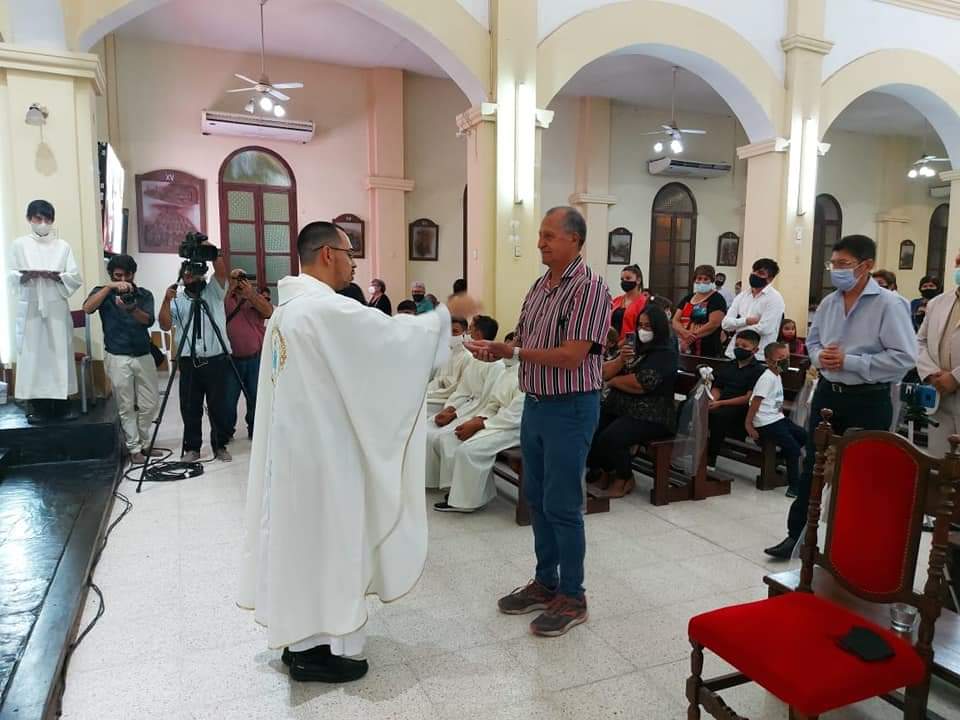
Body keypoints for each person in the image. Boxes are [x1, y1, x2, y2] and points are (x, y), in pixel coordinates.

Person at [238, 222, 449, 684]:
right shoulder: (323, 310)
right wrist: (442, 320)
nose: (355, 263)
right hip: (324, 460)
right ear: (328, 254)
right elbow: (393, 342)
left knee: (300, 547)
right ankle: (319, 650)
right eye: (351, 252)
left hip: (295, 456)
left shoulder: (287, 311)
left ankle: (299, 641)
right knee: (327, 546)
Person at [465, 206, 611, 638]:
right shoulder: (540, 286)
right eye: (541, 235)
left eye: (549, 235)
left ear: (574, 240)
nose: (540, 243)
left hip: (571, 406)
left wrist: (511, 351)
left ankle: (573, 595)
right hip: (536, 404)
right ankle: (546, 582)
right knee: (538, 499)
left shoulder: (589, 289)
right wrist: (495, 351)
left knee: (563, 504)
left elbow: (572, 356)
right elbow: (525, 341)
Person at [765, 235, 917, 559]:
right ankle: (797, 537)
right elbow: (814, 343)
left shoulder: (890, 304)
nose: (836, 270)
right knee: (813, 465)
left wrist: (851, 361)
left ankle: (852, 544)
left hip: (868, 398)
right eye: (833, 264)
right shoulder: (829, 303)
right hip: (828, 395)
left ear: (866, 265)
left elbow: (904, 358)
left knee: (862, 472)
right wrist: (821, 358)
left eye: (843, 264)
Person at [587, 304, 677, 498]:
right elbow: (603, 372)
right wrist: (620, 360)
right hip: (624, 407)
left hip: (653, 414)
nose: (643, 330)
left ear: (659, 328)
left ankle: (624, 478)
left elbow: (642, 384)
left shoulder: (665, 354)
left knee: (612, 437)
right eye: (640, 325)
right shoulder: (635, 348)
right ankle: (606, 472)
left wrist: (614, 382)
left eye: (648, 326)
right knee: (592, 428)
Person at [158, 240, 233, 463]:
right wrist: (166, 300)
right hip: (188, 361)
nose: (192, 278)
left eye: (196, 274)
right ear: (182, 276)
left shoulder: (214, 291)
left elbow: (221, 271)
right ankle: (192, 448)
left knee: (219, 406)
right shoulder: (177, 298)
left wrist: (210, 249)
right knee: (190, 407)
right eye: (188, 274)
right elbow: (164, 324)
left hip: (216, 359)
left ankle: (220, 445)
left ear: (203, 274)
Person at [432, 336, 525, 513]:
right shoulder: (508, 371)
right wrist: (479, 419)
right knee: (452, 438)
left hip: (514, 428)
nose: (506, 346)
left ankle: (466, 502)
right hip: (496, 420)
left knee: (469, 451)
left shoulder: (527, 375)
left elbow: (515, 416)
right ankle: (456, 490)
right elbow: (493, 403)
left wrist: (481, 425)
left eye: (513, 344)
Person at [10, 200, 83, 424]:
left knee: (58, 354)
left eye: (47, 219)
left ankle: (62, 406)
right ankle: (36, 406)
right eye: (38, 219)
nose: (43, 223)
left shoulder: (62, 246)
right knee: (33, 356)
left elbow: (74, 277)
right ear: (29, 219)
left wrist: (57, 276)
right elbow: (10, 275)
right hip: (31, 306)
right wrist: (25, 275)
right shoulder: (19, 245)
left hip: (55, 307)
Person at [83, 254, 159, 463]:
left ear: (133, 274)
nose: (123, 280)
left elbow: (148, 320)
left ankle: (145, 442)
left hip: (143, 353)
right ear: (111, 275)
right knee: (126, 405)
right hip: (117, 355)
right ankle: (135, 448)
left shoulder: (144, 294)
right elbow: (88, 308)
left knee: (150, 403)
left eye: (127, 275)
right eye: (118, 276)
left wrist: (131, 308)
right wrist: (109, 288)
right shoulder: (103, 292)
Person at [425, 316, 504, 487]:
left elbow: (486, 402)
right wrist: (450, 408)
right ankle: (432, 481)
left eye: (470, 330)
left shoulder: (496, 365)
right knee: (427, 430)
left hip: (475, 412)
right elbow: (463, 390)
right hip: (464, 406)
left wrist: (456, 414)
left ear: (479, 333)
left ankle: (452, 486)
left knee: (446, 439)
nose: (467, 334)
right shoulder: (475, 359)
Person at [745, 342, 807, 497]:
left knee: (803, 436)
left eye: (787, 357)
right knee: (794, 450)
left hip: (777, 418)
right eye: (780, 358)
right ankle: (794, 487)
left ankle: (779, 458)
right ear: (768, 360)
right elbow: (756, 402)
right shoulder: (767, 378)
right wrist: (749, 425)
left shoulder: (777, 375)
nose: (785, 361)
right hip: (766, 422)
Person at [917, 251, 960, 456]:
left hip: (954, 383)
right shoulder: (937, 303)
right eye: (958, 262)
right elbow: (920, 341)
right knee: (939, 462)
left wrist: (955, 377)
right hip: (939, 394)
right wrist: (930, 373)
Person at [223, 272, 274, 441]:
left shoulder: (256, 297)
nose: (238, 282)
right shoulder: (225, 298)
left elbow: (269, 312)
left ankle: (255, 430)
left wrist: (250, 294)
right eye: (235, 278)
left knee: (255, 397)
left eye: (241, 278)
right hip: (230, 360)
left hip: (254, 359)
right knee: (228, 400)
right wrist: (229, 289)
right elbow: (217, 312)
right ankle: (226, 432)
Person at [706, 330, 765, 468]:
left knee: (719, 416)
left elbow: (748, 397)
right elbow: (718, 387)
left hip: (742, 407)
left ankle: (711, 458)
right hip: (721, 402)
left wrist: (720, 403)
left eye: (744, 346)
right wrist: (713, 400)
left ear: (755, 350)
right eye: (737, 345)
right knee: (692, 407)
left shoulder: (758, 370)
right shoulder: (729, 365)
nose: (739, 349)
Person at [721, 258, 786, 360]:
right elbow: (725, 324)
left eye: (760, 273)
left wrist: (737, 326)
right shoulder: (742, 296)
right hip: (733, 353)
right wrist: (746, 321)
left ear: (770, 279)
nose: (755, 274)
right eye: (754, 271)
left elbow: (765, 328)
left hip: (759, 356)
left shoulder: (775, 298)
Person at [674, 265, 728, 356]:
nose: (702, 282)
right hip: (685, 348)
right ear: (694, 280)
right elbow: (675, 320)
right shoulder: (688, 298)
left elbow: (714, 324)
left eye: (706, 279)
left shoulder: (717, 299)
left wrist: (691, 337)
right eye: (699, 278)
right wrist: (684, 332)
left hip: (708, 349)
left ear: (712, 281)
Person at [426, 316, 470, 412]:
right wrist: (426, 391)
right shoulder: (447, 354)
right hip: (438, 395)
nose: (451, 335)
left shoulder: (467, 357)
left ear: (464, 333)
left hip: (453, 401)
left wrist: (431, 394)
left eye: (455, 331)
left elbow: (460, 388)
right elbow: (438, 379)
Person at [611, 265, 646, 340]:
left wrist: (622, 343)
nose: (624, 281)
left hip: (631, 344)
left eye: (628, 278)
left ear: (638, 280)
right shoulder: (616, 300)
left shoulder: (644, 303)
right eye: (622, 279)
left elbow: (641, 329)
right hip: (611, 343)